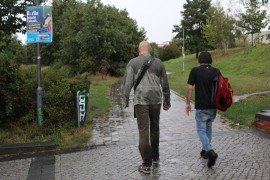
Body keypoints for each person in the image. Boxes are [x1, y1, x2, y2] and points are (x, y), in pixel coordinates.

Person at [121, 41, 171, 174]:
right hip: (156, 100)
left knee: (144, 131)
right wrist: (167, 101)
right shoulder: (159, 63)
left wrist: (125, 100)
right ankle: (155, 156)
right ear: (150, 50)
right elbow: (165, 84)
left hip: (141, 101)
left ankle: (146, 164)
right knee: (155, 128)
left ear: (139, 51)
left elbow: (127, 84)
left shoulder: (132, 63)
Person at [185, 51, 218, 168]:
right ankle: (204, 152)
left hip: (201, 106)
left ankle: (210, 151)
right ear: (210, 59)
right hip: (213, 106)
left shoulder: (195, 71)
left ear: (200, 59)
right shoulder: (216, 71)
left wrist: (188, 103)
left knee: (200, 129)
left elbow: (190, 88)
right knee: (208, 127)